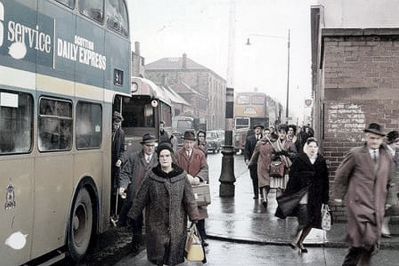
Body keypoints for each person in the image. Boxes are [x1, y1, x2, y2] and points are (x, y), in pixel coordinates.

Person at [127, 143, 200, 266]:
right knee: (158, 258)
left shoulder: (181, 176)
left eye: (167, 156)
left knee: (173, 258)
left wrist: (194, 216)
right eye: (161, 156)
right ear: (158, 158)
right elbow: (141, 197)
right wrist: (132, 215)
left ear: (172, 158)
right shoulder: (151, 176)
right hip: (156, 225)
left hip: (177, 225)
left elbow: (189, 199)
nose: (164, 159)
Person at [333, 123, 394, 266]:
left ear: (382, 139)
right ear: (366, 137)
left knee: (368, 244)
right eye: (372, 138)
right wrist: (338, 195)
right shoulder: (355, 154)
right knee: (360, 242)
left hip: (377, 207)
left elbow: (390, 181)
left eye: (378, 139)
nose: (374, 142)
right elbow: (341, 175)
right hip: (358, 206)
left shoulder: (386, 157)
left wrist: (390, 198)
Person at [275, 137, 329, 254]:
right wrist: (290, 192)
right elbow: (293, 177)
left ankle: (300, 241)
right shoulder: (300, 159)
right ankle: (295, 237)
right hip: (302, 194)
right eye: (311, 147)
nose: (313, 149)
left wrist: (325, 199)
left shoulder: (321, 160)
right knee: (304, 219)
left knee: (312, 221)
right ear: (306, 147)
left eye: (315, 147)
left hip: (316, 195)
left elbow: (325, 180)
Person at [118, 133, 158, 251]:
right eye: (147, 145)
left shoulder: (159, 159)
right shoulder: (134, 158)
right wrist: (123, 186)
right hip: (136, 196)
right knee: (136, 222)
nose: (150, 148)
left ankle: (153, 246)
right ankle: (136, 244)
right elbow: (125, 173)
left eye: (152, 145)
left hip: (152, 197)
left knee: (152, 222)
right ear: (143, 146)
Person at [176, 131, 209, 249]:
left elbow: (205, 168)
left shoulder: (200, 154)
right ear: (183, 142)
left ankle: (202, 237)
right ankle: (182, 238)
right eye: (186, 142)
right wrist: (186, 176)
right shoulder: (177, 154)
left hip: (197, 187)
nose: (188, 145)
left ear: (194, 142)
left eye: (190, 142)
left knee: (199, 212)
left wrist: (198, 178)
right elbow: (175, 169)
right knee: (181, 213)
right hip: (182, 188)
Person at [249, 132, 278, 208]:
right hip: (261, 165)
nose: (267, 135)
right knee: (263, 183)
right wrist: (251, 163)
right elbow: (255, 154)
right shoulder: (259, 143)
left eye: (268, 134)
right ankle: (264, 199)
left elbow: (277, 153)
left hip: (270, 166)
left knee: (268, 184)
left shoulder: (273, 143)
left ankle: (265, 197)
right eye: (266, 134)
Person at [270, 124, 297, 197]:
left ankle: (283, 205)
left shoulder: (290, 144)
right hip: (277, 169)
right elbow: (270, 156)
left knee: (285, 189)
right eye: (280, 132)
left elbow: (295, 155)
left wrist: (287, 153)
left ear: (286, 133)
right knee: (278, 189)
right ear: (278, 133)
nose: (282, 134)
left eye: (284, 133)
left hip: (286, 170)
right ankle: (279, 205)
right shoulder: (274, 144)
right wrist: (275, 156)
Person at [381, 130, 399, 238]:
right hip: (384, 183)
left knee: (390, 206)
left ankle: (383, 226)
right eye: (397, 142)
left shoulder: (396, 152)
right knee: (388, 205)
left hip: (394, 183)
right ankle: (382, 227)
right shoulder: (383, 152)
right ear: (391, 142)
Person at [111, 111, 125, 216]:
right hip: (107, 161)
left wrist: (120, 159)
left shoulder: (121, 133)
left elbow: (122, 150)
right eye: (115, 124)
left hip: (115, 163)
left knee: (115, 186)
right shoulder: (107, 130)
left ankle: (114, 212)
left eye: (118, 124)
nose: (116, 126)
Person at [244, 124, 264, 199]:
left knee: (262, 178)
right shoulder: (249, 139)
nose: (257, 130)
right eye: (256, 129)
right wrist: (247, 159)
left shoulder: (264, 138)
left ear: (261, 130)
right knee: (254, 178)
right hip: (253, 162)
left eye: (259, 129)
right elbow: (246, 150)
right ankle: (256, 194)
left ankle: (262, 193)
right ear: (254, 130)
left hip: (262, 162)